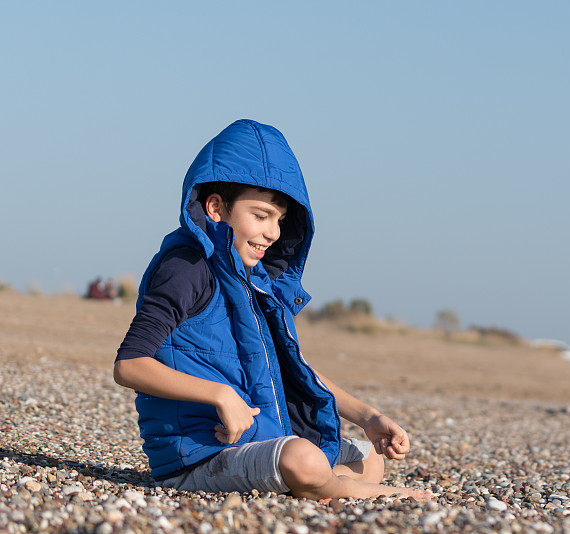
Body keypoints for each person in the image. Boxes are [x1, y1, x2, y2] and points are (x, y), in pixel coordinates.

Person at [113, 119, 430, 501]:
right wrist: (222, 396)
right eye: (260, 215)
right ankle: (352, 491)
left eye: (279, 219)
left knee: (370, 458)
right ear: (216, 207)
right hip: (197, 458)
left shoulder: (253, 279)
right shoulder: (186, 268)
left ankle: (331, 484)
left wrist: (367, 417)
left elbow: (291, 365)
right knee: (305, 461)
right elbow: (129, 365)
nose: (273, 232)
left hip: (261, 439)